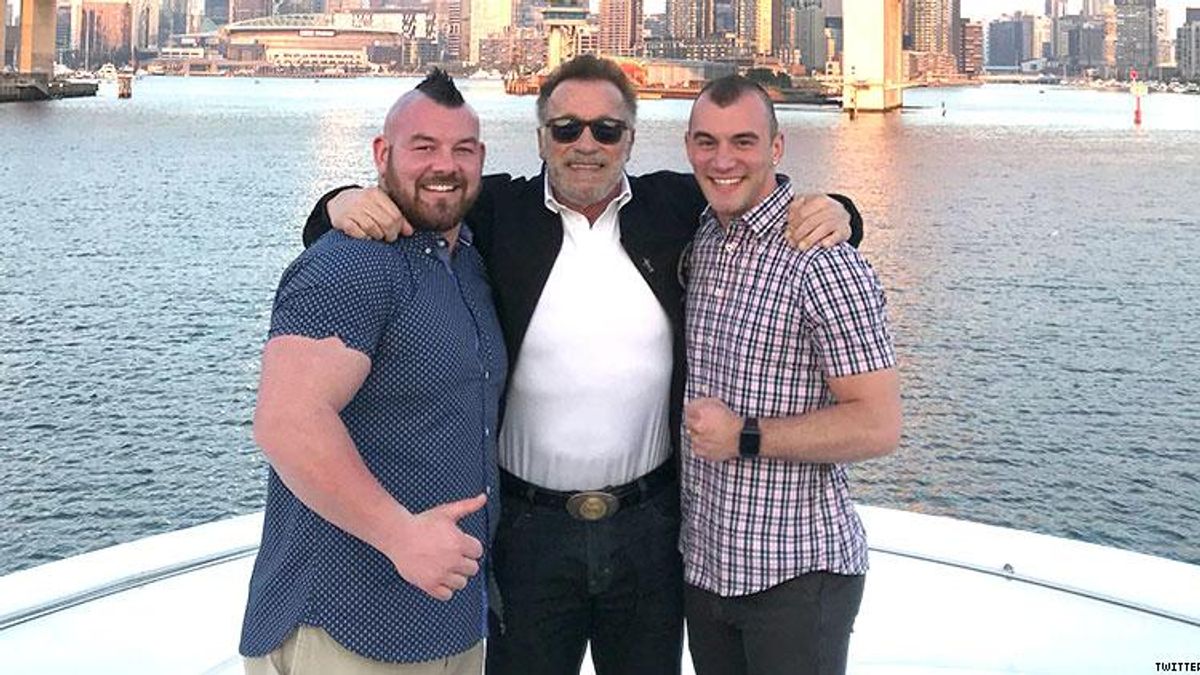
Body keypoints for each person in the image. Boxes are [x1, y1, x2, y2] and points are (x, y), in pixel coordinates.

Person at [303, 56, 864, 675]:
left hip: (649, 529)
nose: (586, 144)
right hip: (528, 532)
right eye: (567, 128)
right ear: (542, 137)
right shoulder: (499, 212)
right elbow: (424, 194)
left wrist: (842, 210)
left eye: (607, 129)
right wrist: (336, 204)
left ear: (631, 138)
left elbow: (757, 198)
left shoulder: (675, 208)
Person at [239, 70, 506, 675]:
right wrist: (399, 534)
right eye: (423, 147)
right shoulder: (349, 266)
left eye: (462, 149)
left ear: (481, 159)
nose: (445, 165)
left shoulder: (466, 263)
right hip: (345, 626)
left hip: (450, 622)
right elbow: (286, 422)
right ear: (382, 154)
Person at [680, 75, 901, 675]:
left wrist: (745, 436)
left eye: (743, 142)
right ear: (688, 146)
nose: (723, 161)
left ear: (776, 148)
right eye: (706, 142)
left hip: (796, 573)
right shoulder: (703, 237)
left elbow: (878, 425)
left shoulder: (823, 261)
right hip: (707, 565)